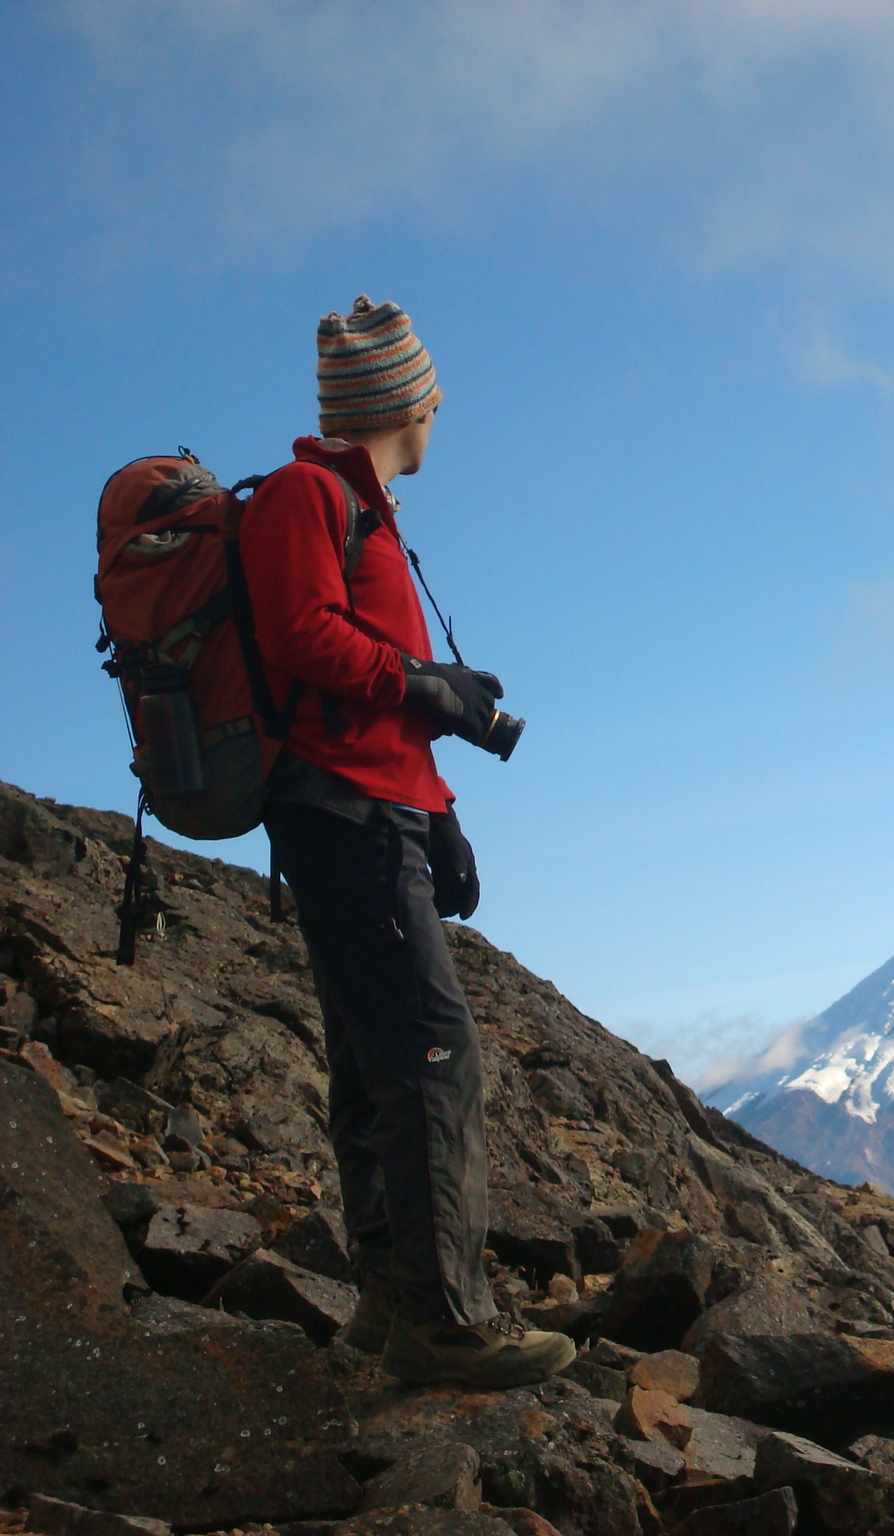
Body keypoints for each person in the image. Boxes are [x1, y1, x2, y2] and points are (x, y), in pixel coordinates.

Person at [238, 295, 572, 1388]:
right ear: (404, 402)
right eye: (431, 396)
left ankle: (387, 1308)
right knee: (434, 1056)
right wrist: (421, 681)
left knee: (377, 1062)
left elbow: (381, 705)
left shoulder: (373, 520)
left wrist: (443, 815)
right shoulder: (307, 496)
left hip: (382, 815)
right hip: (339, 819)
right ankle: (445, 1321)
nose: (440, 412)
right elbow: (299, 635)